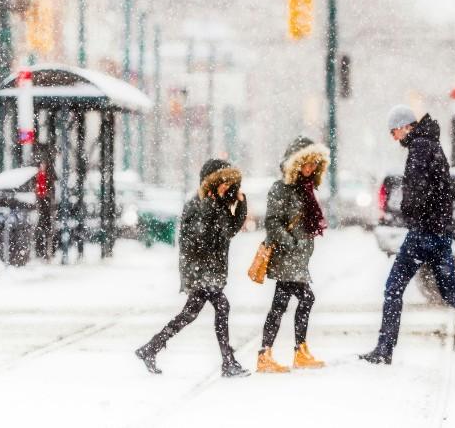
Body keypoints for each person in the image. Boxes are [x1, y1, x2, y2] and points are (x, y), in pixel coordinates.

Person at [360, 105, 455, 366]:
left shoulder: (419, 149)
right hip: (439, 233)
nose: (393, 137)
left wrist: (408, 211)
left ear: (406, 126)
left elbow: (417, 192)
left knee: (393, 289)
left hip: (422, 233)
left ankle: (384, 350)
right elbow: (439, 191)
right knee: (452, 293)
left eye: (394, 131)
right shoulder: (432, 145)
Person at [135, 158, 250, 378]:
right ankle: (228, 362)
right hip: (199, 270)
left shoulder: (217, 203)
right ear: (211, 181)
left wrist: (241, 203)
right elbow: (197, 239)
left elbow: (229, 231)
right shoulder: (198, 204)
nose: (226, 186)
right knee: (221, 307)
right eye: (223, 182)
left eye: (229, 183)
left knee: (189, 314)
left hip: (210, 270)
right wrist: (212, 213)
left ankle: (150, 348)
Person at [256, 137, 330, 374]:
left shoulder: (304, 188)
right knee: (294, 302)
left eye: (314, 165)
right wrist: (293, 243)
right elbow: (272, 223)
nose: (310, 169)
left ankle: (291, 351)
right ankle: (272, 353)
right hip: (286, 257)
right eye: (306, 164)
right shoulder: (281, 188)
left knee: (288, 303)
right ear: (295, 164)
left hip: (297, 259)